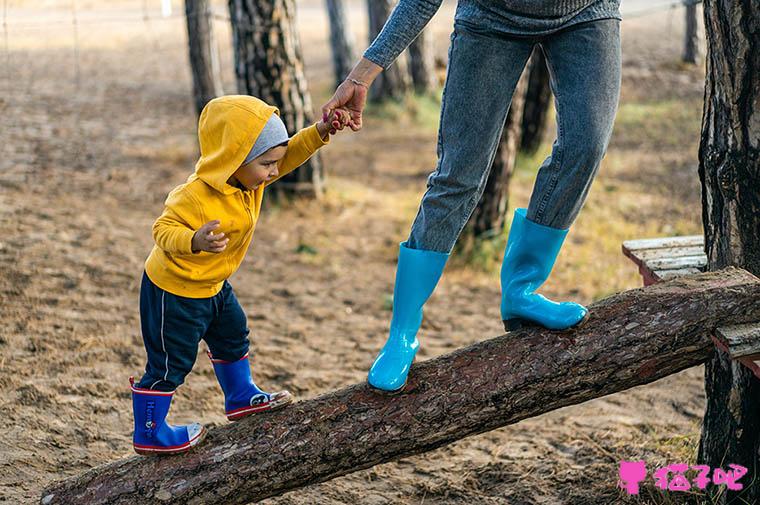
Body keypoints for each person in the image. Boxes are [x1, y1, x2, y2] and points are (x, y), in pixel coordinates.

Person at [322, 0, 622, 392]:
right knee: (458, 177)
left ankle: (522, 290)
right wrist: (362, 75)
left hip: (587, 11)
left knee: (585, 148)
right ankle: (402, 334)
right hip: (491, 17)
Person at [130, 95, 349, 455]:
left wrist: (321, 131)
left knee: (233, 333)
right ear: (234, 159)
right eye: (266, 164)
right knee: (172, 362)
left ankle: (240, 396)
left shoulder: (251, 179)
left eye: (274, 163)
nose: (274, 172)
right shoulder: (194, 196)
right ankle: (150, 431)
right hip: (175, 291)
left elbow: (289, 154)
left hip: (214, 285)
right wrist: (193, 240)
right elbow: (161, 229)